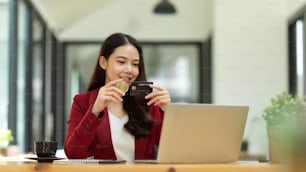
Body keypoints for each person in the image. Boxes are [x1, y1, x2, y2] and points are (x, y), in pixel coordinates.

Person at [64, 33, 171, 162]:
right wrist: (95, 111)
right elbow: (73, 154)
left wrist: (169, 113)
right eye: (121, 62)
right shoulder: (82, 102)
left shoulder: (148, 102)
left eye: (135, 64)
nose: (129, 70)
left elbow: (175, 152)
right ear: (103, 63)